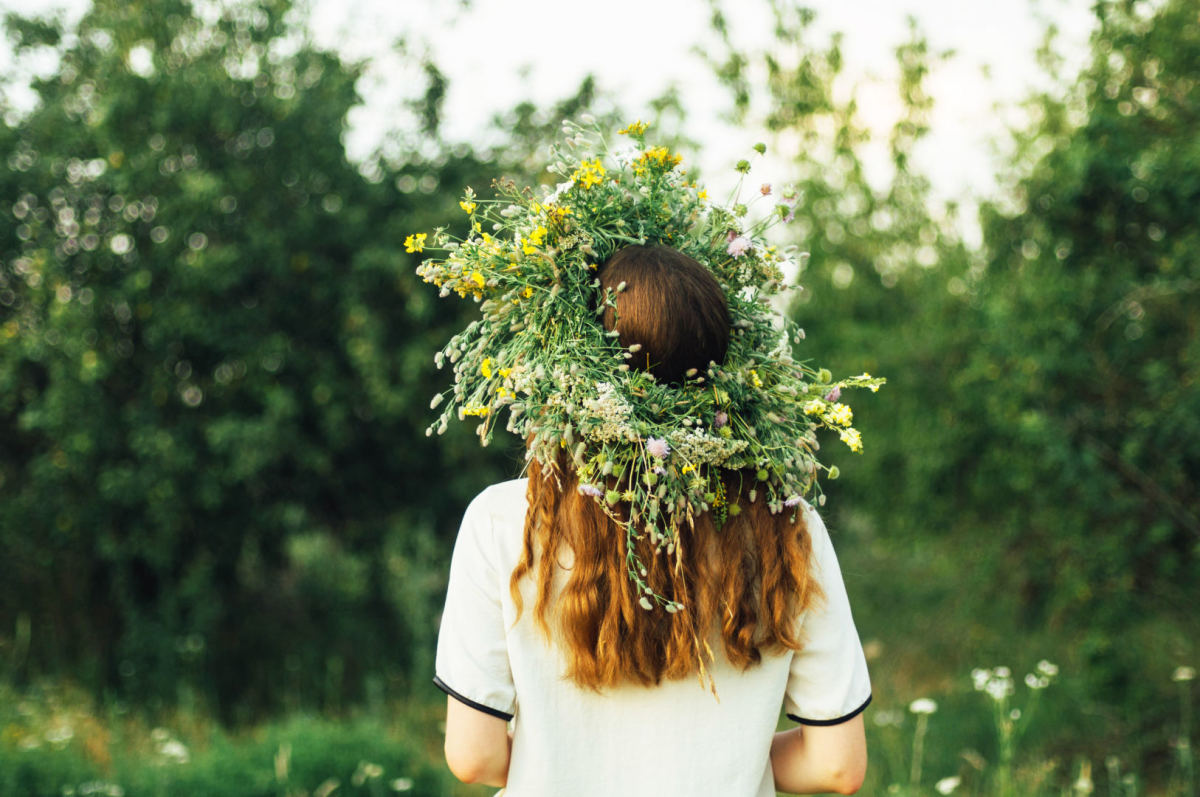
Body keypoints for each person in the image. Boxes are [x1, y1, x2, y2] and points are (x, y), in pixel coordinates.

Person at [433, 244, 871, 796]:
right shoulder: (788, 525)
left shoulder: (500, 520)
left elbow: (473, 757)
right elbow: (837, 766)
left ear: (577, 359)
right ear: (723, 365)